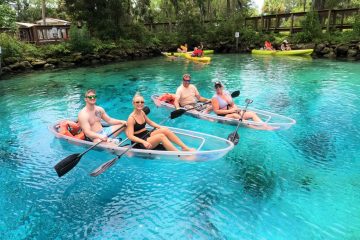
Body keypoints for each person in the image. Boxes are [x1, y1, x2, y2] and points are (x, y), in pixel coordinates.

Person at [126, 92, 194, 151]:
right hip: (139, 143)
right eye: (137, 102)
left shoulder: (142, 112)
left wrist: (160, 127)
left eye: (142, 102)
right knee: (161, 136)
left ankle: (184, 147)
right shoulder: (131, 118)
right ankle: (178, 153)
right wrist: (144, 142)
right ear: (133, 103)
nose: (140, 104)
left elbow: (150, 122)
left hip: (146, 134)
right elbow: (130, 136)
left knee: (165, 130)